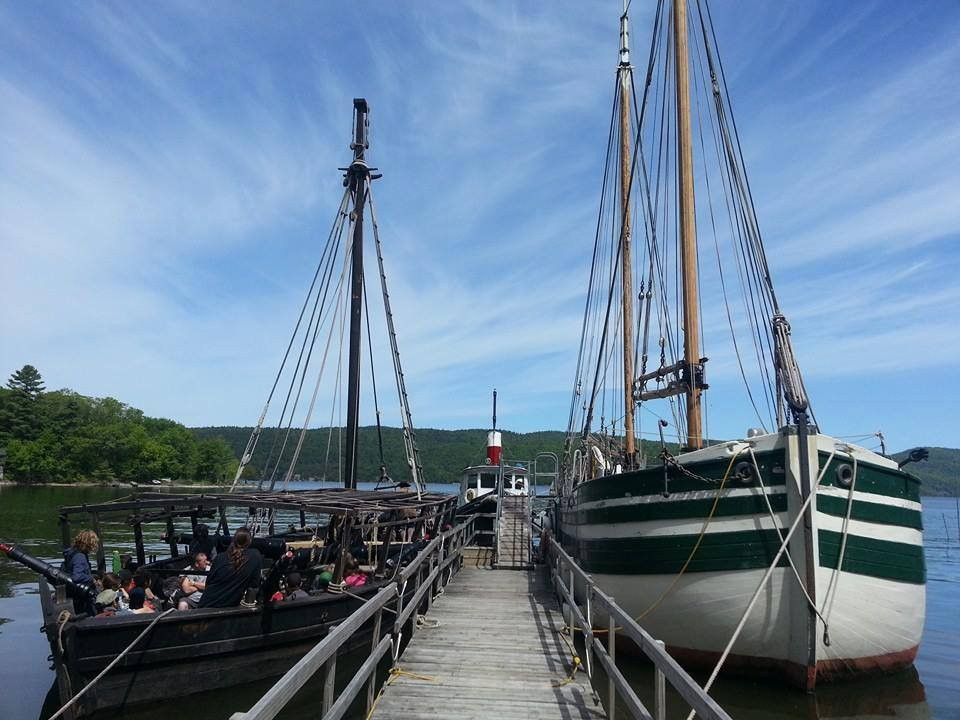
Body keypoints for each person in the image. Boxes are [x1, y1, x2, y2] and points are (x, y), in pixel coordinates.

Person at [198, 527, 262, 608]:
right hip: (227, 606)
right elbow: (254, 584)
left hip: (205, 604)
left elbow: (208, 583)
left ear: (233, 540)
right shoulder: (255, 557)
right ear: (249, 542)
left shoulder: (219, 558)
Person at [62, 530, 99, 615]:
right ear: (89, 543)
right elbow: (77, 576)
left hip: (73, 593)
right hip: (80, 597)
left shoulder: (71, 553)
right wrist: (91, 578)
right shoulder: (80, 557)